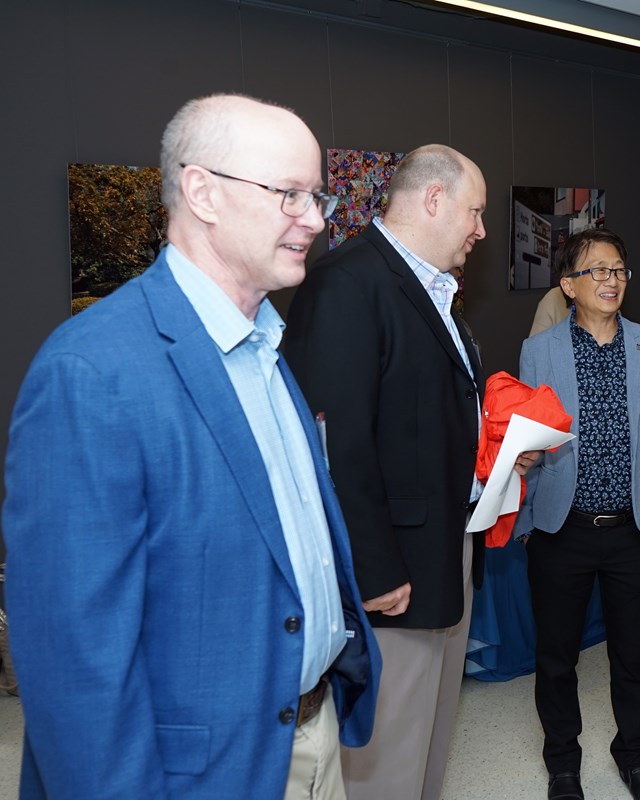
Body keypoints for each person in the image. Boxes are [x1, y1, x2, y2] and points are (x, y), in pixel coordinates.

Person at [3, 94, 381, 799]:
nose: (315, 219)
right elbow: (75, 665)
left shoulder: (266, 344)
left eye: (317, 196)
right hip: (194, 775)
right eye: (289, 194)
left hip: (311, 735)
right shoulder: (90, 373)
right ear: (202, 192)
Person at [285, 144, 536, 800]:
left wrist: (501, 456)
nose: (482, 230)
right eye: (475, 212)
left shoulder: (433, 290)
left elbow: (429, 414)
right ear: (433, 200)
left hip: (441, 550)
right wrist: (371, 568)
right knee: (387, 749)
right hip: (392, 573)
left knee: (427, 735)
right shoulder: (346, 283)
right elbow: (332, 443)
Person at [515, 228, 640, 800]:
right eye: (598, 271)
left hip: (636, 531)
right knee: (557, 657)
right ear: (568, 285)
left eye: (619, 270)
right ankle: (563, 762)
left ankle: (635, 757)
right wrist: (522, 523)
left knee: (635, 656)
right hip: (561, 528)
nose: (612, 280)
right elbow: (527, 444)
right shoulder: (539, 350)